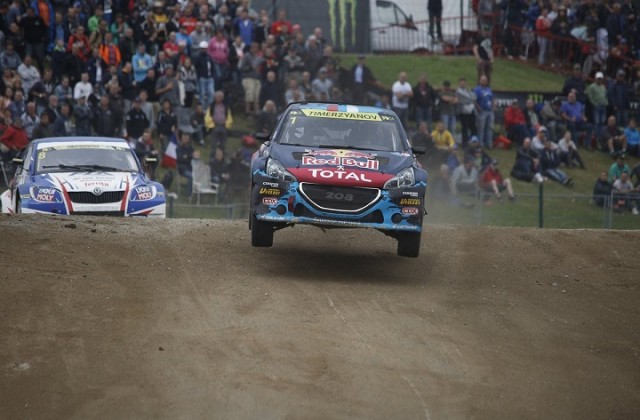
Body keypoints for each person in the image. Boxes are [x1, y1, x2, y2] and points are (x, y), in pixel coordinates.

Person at [474, 74, 495, 150]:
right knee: (481, 128)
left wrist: (493, 105)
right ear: (480, 81)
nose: (484, 81)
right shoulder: (477, 89)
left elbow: (492, 98)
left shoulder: (489, 89)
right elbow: (474, 100)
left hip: (490, 111)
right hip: (482, 111)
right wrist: (478, 107)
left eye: (485, 80)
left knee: (490, 128)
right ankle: (481, 144)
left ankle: (489, 144)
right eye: (482, 80)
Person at [585, 72, 608, 137]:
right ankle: (596, 136)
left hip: (603, 106)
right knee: (597, 122)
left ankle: (600, 136)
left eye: (600, 79)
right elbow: (590, 97)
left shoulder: (603, 87)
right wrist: (594, 104)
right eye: (598, 78)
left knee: (602, 122)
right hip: (596, 106)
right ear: (596, 79)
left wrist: (606, 102)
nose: (599, 80)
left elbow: (606, 95)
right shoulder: (592, 87)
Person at [456, 77, 477, 148]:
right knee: (464, 128)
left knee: (473, 127)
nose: (463, 84)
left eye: (464, 83)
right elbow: (462, 100)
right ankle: (464, 144)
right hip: (463, 112)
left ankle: (474, 142)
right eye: (461, 82)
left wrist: (470, 99)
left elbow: (474, 97)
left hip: (471, 111)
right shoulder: (458, 91)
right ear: (459, 83)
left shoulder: (468, 90)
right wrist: (470, 100)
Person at [176, 131, 194, 197]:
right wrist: (189, 157)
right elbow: (180, 158)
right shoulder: (178, 148)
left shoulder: (190, 148)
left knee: (199, 175)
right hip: (182, 168)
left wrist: (188, 156)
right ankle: (189, 195)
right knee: (192, 176)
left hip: (191, 167)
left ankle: (199, 195)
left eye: (187, 138)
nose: (185, 140)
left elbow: (192, 157)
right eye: (184, 138)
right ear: (181, 139)